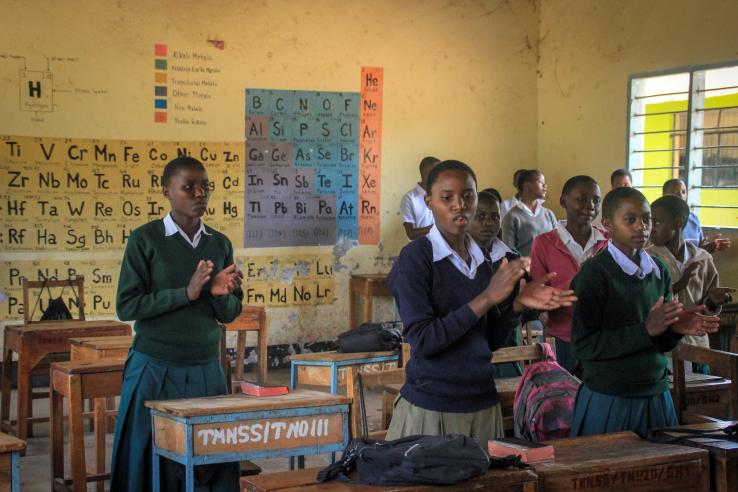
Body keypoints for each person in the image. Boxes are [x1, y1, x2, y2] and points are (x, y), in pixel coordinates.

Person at [386, 160, 576, 444]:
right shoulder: (416, 258)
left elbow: (489, 341)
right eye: (446, 197)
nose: (459, 205)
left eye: (467, 196)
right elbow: (424, 340)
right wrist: (486, 298)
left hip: (483, 403)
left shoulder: (483, 260)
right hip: (434, 406)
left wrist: (516, 306)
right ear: (428, 202)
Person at [111, 157, 244, 492]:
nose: (199, 193)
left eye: (205, 186)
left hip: (205, 367)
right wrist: (186, 293)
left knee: (208, 460)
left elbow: (229, 313)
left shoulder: (219, 243)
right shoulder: (145, 240)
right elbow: (127, 306)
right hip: (154, 367)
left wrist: (216, 293)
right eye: (188, 187)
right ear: (167, 191)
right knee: (147, 459)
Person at [570, 187, 720, 438]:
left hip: (656, 391)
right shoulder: (593, 275)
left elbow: (658, 341)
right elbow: (583, 345)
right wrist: (645, 329)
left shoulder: (657, 270)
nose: (642, 226)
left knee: (664, 472)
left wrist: (674, 329)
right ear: (607, 224)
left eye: (647, 219)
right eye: (630, 220)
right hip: (612, 396)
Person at [646, 194, 735, 372]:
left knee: (700, 395)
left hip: (698, 345)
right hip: (665, 348)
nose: (650, 229)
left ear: (678, 224)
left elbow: (706, 308)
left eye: (657, 223)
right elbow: (647, 301)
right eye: (649, 222)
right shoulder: (647, 257)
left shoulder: (702, 258)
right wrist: (680, 283)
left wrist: (714, 301)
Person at [530, 176, 609, 374]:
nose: (590, 205)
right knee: (569, 397)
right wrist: (574, 285)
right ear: (563, 201)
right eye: (581, 199)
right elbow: (538, 292)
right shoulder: (544, 243)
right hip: (565, 336)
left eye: (596, 200)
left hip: (605, 337)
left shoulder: (608, 241)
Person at [662, 178, 731, 254]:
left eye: (683, 192)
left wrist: (709, 247)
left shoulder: (693, 219)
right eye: (674, 192)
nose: (680, 195)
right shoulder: (659, 220)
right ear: (664, 195)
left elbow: (698, 249)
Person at [501, 170, 557, 256]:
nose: (545, 186)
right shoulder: (511, 217)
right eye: (541, 183)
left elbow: (557, 244)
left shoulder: (549, 214)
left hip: (551, 267)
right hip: (527, 268)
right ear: (527, 186)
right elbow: (510, 252)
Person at [400, 156, 440, 240]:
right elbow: (411, 233)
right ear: (425, 173)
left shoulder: (442, 195)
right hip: (421, 249)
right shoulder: (409, 199)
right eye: (437, 173)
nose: (440, 176)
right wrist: (439, 227)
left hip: (442, 249)